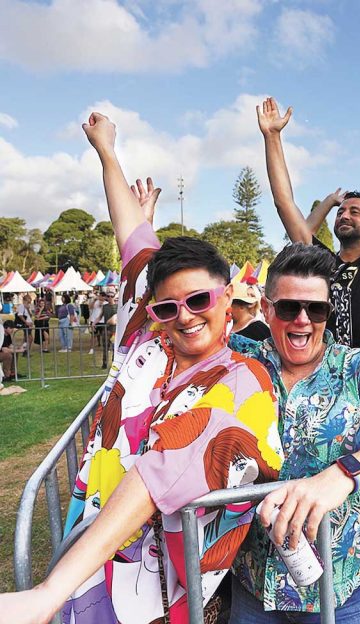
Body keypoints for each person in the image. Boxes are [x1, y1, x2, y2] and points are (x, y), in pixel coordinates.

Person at [0, 112, 284, 624]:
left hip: (154, 585)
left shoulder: (244, 379)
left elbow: (163, 471)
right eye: (167, 306)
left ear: (229, 299)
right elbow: (132, 237)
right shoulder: (149, 337)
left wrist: (48, 591)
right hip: (89, 545)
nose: (185, 316)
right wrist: (107, 152)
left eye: (199, 300)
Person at [227, 243, 360, 623]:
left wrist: (339, 476)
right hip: (255, 586)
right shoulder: (240, 363)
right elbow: (177, 315)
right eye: (290, 307)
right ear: (268, 310)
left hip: (344, 592)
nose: (303, 320)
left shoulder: (357, 368)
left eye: (316, 309)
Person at [255, 66, 360, 349]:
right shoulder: (322, 263)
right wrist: (272, 137)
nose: (344, 214)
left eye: (355, 211)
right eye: (341, 211)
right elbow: (284, 204)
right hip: (326, 380)